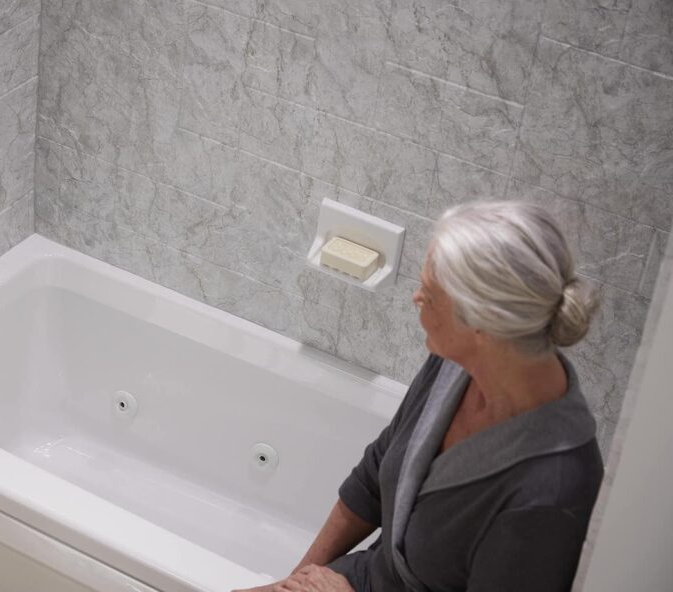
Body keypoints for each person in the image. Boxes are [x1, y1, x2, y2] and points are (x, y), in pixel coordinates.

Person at [237, 201, 604, 592]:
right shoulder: (456, 365)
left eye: (428, 295)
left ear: (480, 322)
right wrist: (291, 584)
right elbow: (376, 477)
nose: (415, 298)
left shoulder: (550, 493)